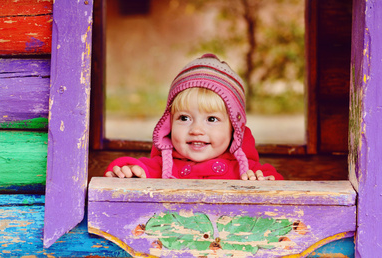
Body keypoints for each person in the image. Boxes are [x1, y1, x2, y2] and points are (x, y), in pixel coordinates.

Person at [104, 54, 284, 181]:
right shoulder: (161, 167)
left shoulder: (246, 172)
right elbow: (131, 166)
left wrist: (264, 183)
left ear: (234, 130)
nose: (196, 130)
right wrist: (126, 173)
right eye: (184, 118)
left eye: (211, 119)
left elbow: (279, 188)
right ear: (169, 125)